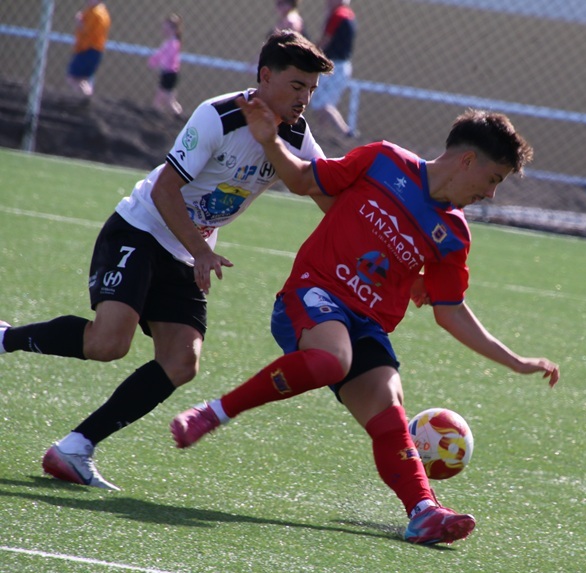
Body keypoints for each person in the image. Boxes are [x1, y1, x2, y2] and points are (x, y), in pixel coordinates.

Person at [170, 101, 561, 545]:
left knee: (389, 403)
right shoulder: (383, 160)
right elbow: (302, 179)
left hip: (366, 325)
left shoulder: (453, 234)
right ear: (468, 161)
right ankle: (214, 412)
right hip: (312, 294)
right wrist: (270, 141)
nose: (490, 194)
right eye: (493, 179)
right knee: (332, 359)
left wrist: (515, 361)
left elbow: (450, 311)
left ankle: (423, 512)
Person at [0, 31, 334, 491]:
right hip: (142, 228)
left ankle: (75, 448)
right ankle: (6, 337)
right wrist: (202, 251)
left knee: (181, 361)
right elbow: (164, 190)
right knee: (107, 343)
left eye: (312, 90)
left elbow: (326, 194)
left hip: (186, 250)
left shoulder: (296, 136)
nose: (305, 99)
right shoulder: (218, 116)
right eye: (297, 85)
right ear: (265, 76)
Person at [310, 0, 357, 137]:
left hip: (334, 66)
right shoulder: (348, 14)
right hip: (341, 66)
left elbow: (326, 39)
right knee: (323, 104)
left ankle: (346, 132)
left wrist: (311, 53)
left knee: (322, 104)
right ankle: (322, 133)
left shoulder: (338, 15)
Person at [66, 0, 111, 98]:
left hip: (88, 49)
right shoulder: (101, 11)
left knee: (73, 77)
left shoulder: (95, 12)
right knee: (83, 79)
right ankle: (86, 97)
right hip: (94, 50)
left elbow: (87, 31)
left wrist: (79, 22)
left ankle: (86, 98)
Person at [148, 13, 184, 117]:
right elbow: (160, 54)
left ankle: (178, 115)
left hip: (170, 73)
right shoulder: (168, 42)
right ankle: (156, 111)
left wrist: (160, 63)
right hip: (167, 73)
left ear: (174, 30)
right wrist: (154, 61)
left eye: (167, 28)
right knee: (163, 96)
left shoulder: (174, 44)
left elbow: (169, 57)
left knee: (167, 99)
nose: (164, 30)